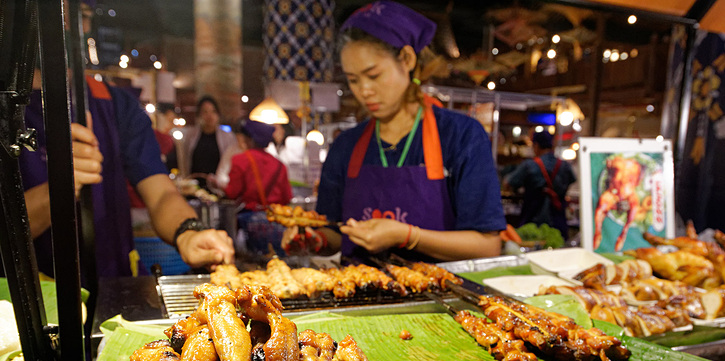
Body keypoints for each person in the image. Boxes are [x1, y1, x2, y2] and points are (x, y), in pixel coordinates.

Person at [286, 1, 505, 261]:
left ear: (407, 59)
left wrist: (408, 235)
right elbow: (333, 231)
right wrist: (313, 239)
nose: (364, 90)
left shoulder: (461, 135)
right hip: (358, 294)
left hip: (441, 297)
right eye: (353, 80)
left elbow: (487, 246)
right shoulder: (346, 145)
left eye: (374, 75)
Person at [20, 70, 235, 279]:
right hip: (20, 294)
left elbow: (160, 192)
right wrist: (58, 188)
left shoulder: (112, 101)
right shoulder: (10, 106)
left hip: (116, 280)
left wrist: (188, 233)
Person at [504, 130, 576, 238]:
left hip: (532, 221)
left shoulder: (530, 165)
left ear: (536, 145)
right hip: (558, 220)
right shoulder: (564, 165)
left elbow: (508, 182)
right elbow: (573, 179)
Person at [176, 95, 237, 191]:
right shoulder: (191, 135)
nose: (209, 116)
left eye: (213, 111)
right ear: (199, 115)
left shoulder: (227, 137)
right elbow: (184, 160)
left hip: (218, 189)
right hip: (194, 188)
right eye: (205, 112)